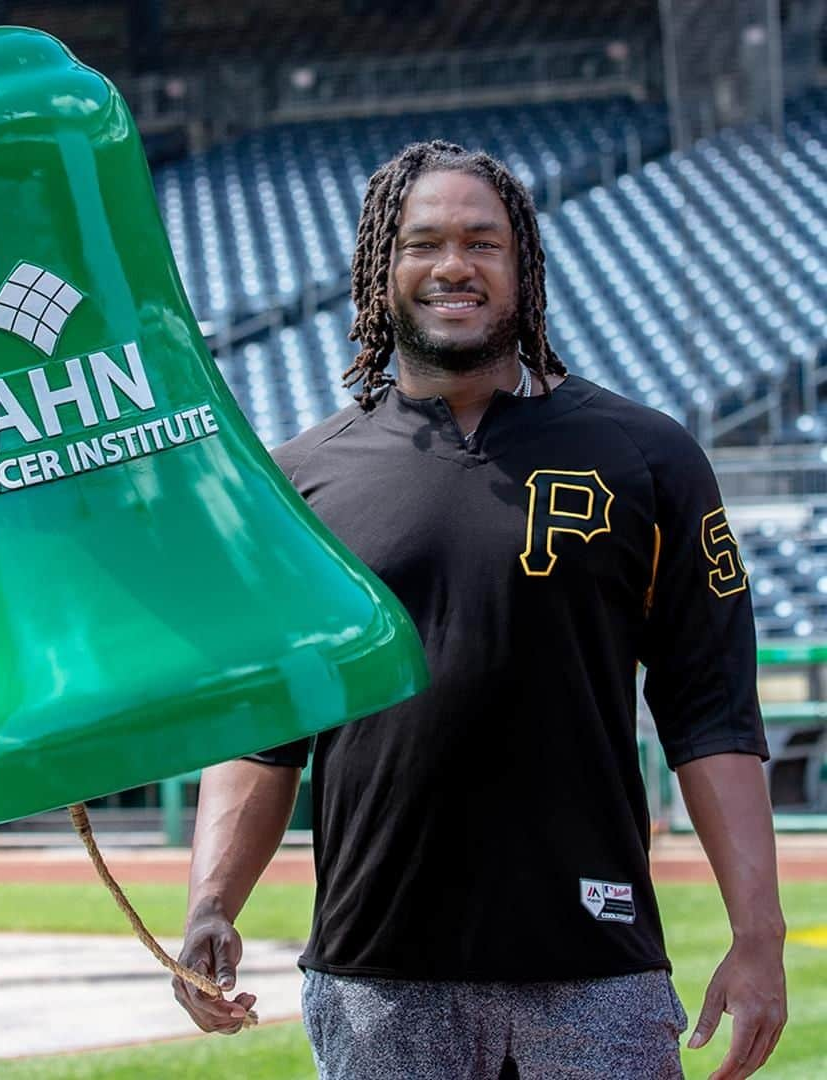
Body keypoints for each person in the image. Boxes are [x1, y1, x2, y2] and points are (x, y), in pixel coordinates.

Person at [172, 141, 787, 1080]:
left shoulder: (648, 458)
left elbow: (711, 714)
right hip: (377, 978)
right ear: (382, 272)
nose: (453, 265)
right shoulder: (295, 484)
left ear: (523, 264)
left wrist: (759, 934)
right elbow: (267, 731)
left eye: (481, 242)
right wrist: (211, 901)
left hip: (596, 970)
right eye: (423, 243)